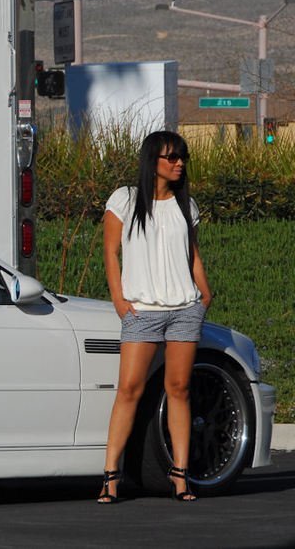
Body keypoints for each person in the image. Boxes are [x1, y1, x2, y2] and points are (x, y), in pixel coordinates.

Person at [96, 130, 212, 504]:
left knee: (179, 389)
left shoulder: (186, 205)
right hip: (142, 310)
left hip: (184, 309)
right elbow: (110, 252)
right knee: (129, 389)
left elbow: (192, 254)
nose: (179, 163)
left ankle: (180, 475)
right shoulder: (125, 200)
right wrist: (119, 299)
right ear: (153, 161)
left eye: (182, 157)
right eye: (171, 157)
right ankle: (110, 476)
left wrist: (204, 293)